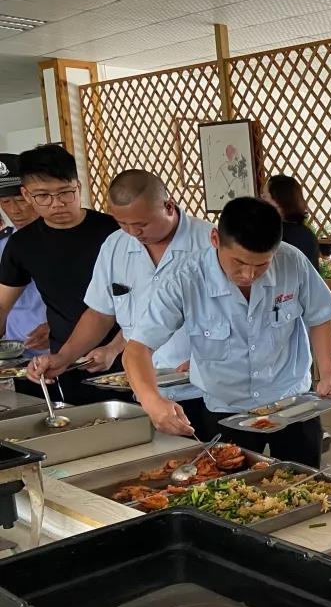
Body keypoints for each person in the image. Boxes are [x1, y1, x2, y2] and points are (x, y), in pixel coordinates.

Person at [125, 197, 331, 466]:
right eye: (239, 262)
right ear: (215, 238)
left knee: (306, 483)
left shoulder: (292, 261)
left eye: (261, 265)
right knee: (230, 487)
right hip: (225, 410)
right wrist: (152, 401)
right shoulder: (185, 278)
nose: (249, 274)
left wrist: (329, 374)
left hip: (292, 402)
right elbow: (137, 349)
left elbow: (320, 318)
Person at [27, 170, 210, 418]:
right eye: (123, 224)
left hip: (206, 391)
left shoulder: (209, 243)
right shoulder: (116, 245)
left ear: (168, 206)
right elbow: (100, 313)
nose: (133, 232)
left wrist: (210, 359)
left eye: (141, 224)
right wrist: (64, 357)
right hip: (144, 391)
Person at [0, 145, 120, 404]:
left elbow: (142, 304)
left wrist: (115, 347)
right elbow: (2, 304)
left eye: (65, 193)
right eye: (43, 195)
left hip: (127, 354)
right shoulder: (22, 244)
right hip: (65, 362)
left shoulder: (114, 232)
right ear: (27, 194)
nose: (57, 204)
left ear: (78, 187)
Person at [0, 154, 48, 357]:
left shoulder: (64, 239)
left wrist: (60, 326)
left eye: (20, 200)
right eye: (5, 201)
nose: (14, 210)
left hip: (69, 348)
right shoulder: (3, 245)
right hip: (18, 355)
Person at [263, 174, 320, 268]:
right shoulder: (307, 234)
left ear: (277, 201)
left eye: (265, 197)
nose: (261, 201)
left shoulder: (274, 235)